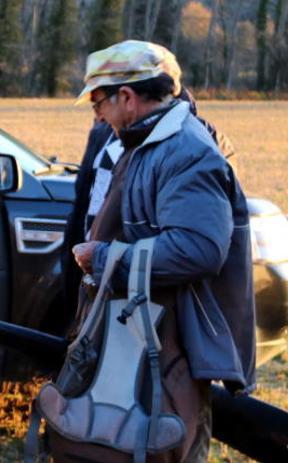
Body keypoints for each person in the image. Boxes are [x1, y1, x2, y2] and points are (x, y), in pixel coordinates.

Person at [66, 40, 255, 462]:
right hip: (148, 344)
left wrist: (104, 258)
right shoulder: (148, 141)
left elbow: (198, 249)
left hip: (173, 355)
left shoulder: (185, 151)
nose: (96, 114)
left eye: (97, 102)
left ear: (127, 98)